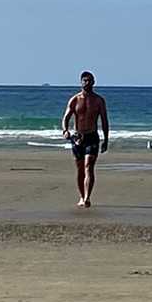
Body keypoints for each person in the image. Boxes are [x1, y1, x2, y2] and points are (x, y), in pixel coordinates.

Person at [61, 71, 109, 208]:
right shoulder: (75, 99)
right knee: (80, 168)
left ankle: (88, 197)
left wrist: (106, 139)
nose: (87, 83)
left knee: (89, 166)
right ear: (81, 82)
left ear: (94, 82)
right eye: (85, 80)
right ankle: (82, 197)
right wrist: (65, 130)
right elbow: (66, 118)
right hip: (78, 138)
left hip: (92, 136)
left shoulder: (99, 100)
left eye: (90, 80)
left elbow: (104, 121)